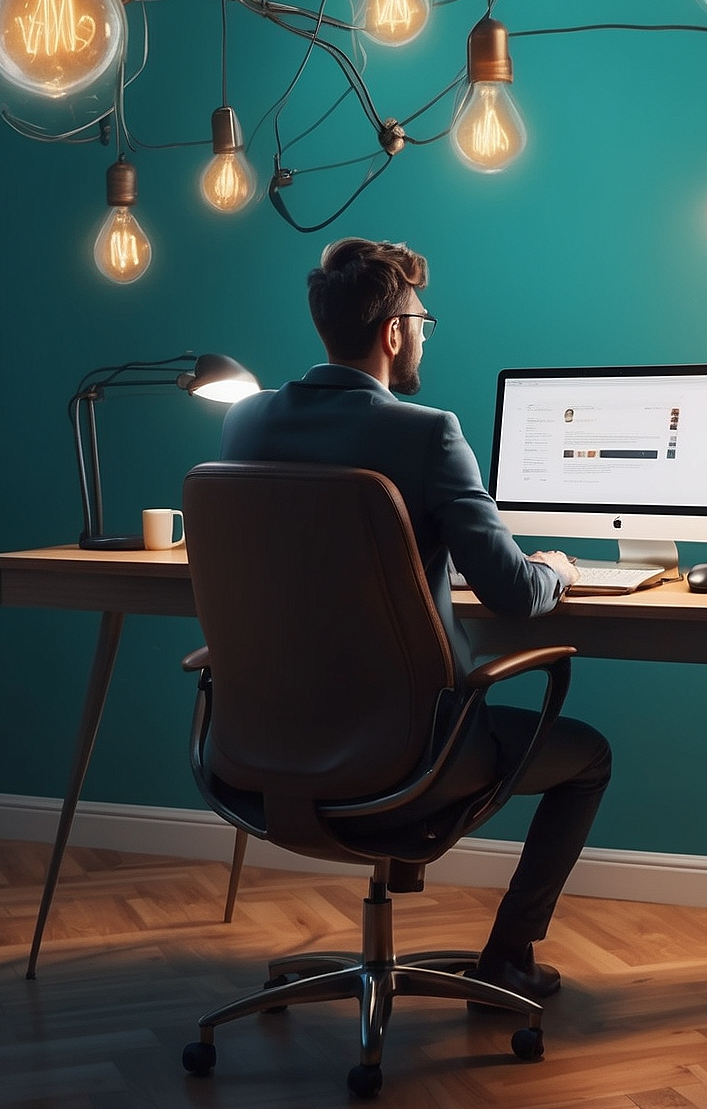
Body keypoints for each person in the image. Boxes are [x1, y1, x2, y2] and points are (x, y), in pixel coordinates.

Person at [219, 237, 611, 1002]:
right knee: (589, 756)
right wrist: (556, 572)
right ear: (394, 332)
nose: (423, 335)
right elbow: (509, 594)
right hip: (406, 761)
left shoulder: (245, 425)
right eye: (422, 321)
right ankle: (508, 956)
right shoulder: (428, 433)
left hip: (260, 753)